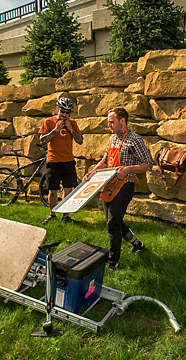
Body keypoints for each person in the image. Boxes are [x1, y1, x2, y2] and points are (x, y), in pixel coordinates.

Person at [83, 107, 153, 269]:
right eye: (108, 122)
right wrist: (92, 172)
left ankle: (112, 262)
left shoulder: (134, 139)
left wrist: (128, 169)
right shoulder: (112, 139)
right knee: (114, 220)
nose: (109, 125)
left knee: (112, 224)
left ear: (122, 121)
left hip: (125, 185)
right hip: (109, 185)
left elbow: (148, 165)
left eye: (111, 122)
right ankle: (137, 244)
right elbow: (106, 161)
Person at [39, 97, 83, 225]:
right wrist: (55, 130)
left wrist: (71, 129)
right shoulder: (48, 122)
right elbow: (42, 140)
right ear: (58, 109)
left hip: (68, 161)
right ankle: (52, 214)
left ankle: (66, 216)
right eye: (63, 111)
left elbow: (80, 140)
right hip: (53, 161)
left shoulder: (72, 123)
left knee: (68, 190)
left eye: (68, 113)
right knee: (53, 190)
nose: (65, 115)